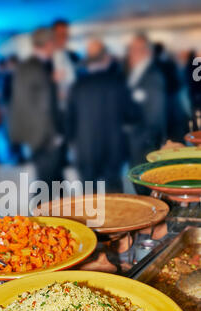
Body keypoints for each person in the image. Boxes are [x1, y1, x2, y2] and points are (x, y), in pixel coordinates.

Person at [66, 39, 128, 193]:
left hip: (86, 148)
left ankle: (90, 217)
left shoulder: (78, 87)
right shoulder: (118, 83)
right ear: (106, 59)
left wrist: (70, 141)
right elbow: (132, 114)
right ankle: (117, 217)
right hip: (113, 147)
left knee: (89, 192)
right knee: (114, 191)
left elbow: (69, 119)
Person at [9, 27, 63, 189]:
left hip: (42, 135)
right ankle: (43, 214)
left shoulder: (34, 66)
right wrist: (52, 136)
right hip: (43, 137)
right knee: (47, 184)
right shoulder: (32, 67)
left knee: (52, 182)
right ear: (48, 44)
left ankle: (54, 213)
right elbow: (36, 106)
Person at [126, 34, 166, 169]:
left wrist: (145, 140)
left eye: (135, 49)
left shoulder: (152, 75)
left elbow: (156, 113)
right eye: (131, 49)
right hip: (134, 141)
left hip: (144, 143)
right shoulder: (136, 72)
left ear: (147, 51)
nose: (131, 53)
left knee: (144, 180)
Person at [153, 42, 189, 141]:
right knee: (175, 127)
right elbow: (178, 81)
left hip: (160, 101)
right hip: (171, 99)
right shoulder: (169, 64)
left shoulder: (153, 65)